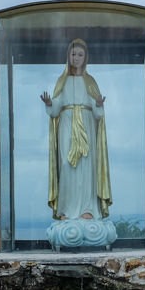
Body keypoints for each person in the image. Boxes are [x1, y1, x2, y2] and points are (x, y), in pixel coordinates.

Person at [40, 39, 112, 221]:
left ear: (86, 57)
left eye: (80, 54)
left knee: (87, 166)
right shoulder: (62, 81)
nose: (77, 58)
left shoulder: (90, 81)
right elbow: (56, 108)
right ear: (68, 57)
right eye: (74, 54)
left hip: (86, 124)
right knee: (66, 165)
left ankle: (88, 209)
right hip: (67, 124)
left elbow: (98, 114)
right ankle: (67, 210)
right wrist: (50, 104)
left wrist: (98, 105)